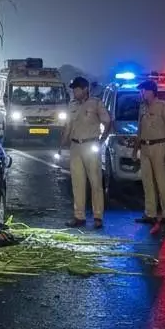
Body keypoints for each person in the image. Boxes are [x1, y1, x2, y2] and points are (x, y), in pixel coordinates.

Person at [60, 77, 111, 229]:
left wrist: (102, 140)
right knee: (77, 183)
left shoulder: (96, 103)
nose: (74, 92)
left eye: (76, 89)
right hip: (75, 145)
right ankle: (79, 216)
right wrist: (62, 144)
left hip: (91, 144)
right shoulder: (72, 105)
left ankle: (98, 217)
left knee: (95, 182)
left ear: (85, 89)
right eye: (73, 89)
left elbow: (107, 122)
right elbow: (68, 126)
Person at [133, 79, 165, 234]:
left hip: (159, 146)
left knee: (162, 181)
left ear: (151, 91)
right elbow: (139, 130)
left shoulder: (163, 106)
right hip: (145, 146)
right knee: (147, 182)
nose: (141, 93)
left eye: (143, 90)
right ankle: (150, 213)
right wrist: (135, 149)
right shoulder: (142, 108)